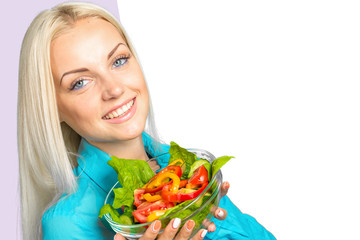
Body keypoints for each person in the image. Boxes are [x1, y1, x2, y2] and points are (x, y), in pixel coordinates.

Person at [18, 2, 276, 240]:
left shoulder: (184, 168)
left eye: (118, 61)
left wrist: (214, 217)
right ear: (53, 110)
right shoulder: (67, 223)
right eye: (80, 83)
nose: (114, 90)